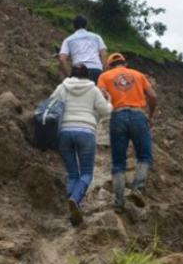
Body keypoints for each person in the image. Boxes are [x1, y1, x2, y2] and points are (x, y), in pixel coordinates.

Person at [49, 66, 112, 225]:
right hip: (86, 132)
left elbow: (50, 105)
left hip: (64, 132)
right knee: (86, 173)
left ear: (71, 74)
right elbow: (106, 111)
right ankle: (75, 200)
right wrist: (109, 101)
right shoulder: (93, 89)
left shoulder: (62, 87)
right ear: (87, 75)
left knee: (72, 174)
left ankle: (73, 208)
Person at [97, 53, 157, 212]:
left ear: (110, 66)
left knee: (118, 162)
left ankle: (119, 203)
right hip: (138, 115)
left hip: (117, 116)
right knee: (144, 156)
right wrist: (150, 116)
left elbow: (100, 96)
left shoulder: (104, 76)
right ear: (125, 64)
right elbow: (152, 96)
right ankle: (137, 188)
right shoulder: (138, 75)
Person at [58, 15, 107, 82]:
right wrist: (103, 71)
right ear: (86, 25)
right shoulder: (96, 37)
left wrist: (69, 75)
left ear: (73, 26)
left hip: (78, 72)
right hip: (96, 69)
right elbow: (104, 54)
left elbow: (62, 58)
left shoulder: (68, 40)